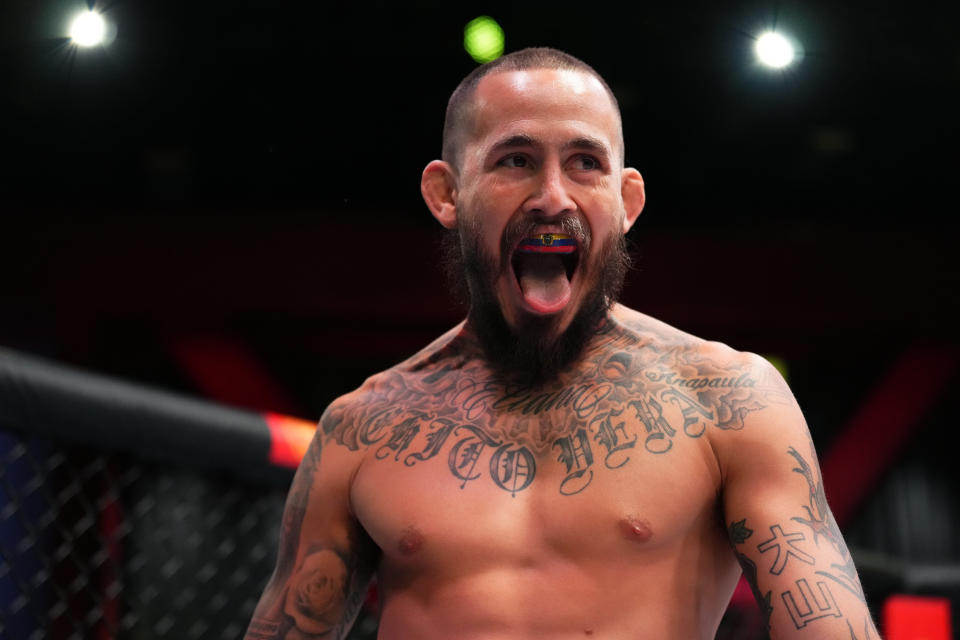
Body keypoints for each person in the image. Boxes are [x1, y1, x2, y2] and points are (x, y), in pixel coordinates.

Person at [244, 47, 880, 639]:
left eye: (585, 163)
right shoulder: (362, 429)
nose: (552, 198)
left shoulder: (728, 399)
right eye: (515, 160)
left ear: (626, 200)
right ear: (447, 193)